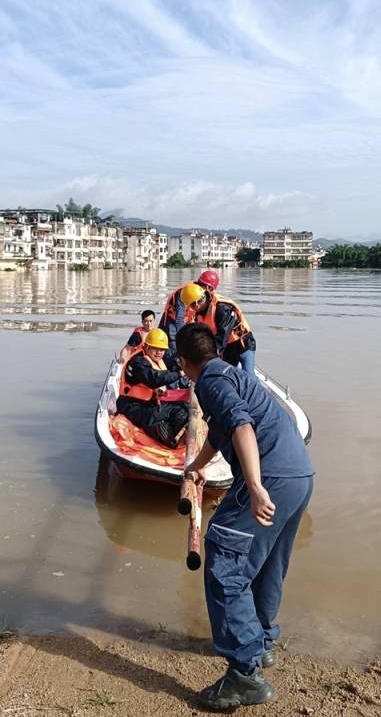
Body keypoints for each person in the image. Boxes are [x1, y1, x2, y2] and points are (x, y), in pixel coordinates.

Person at [175, 323, 314, 710]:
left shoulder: (210, 383)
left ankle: (244, 675)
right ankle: (261, 642)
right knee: (268, 563)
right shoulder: (232, 373)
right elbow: (221, 433)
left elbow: (240, 426)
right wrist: (198, 467)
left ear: (184, 362)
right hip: (299, 475)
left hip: (270, 478)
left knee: (223, 562)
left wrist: (253, 487)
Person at [115, 327, 189, 449]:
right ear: (147, 347)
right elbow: (154, 379)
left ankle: (184, 436)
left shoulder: (157, 358)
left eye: (162, 350)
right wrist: (180, 373)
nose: (159, 352)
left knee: (182, 409)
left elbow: (173, 361)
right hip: (130, 405)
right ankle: (166, 436)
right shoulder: (138, 362)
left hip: (149, 403)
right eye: (156, 349)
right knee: (152, 419)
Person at [180, 282, 256, 374]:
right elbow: (201, 336)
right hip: (228, 348)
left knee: (249, 375)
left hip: (243, 344)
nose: (192, 309)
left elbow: (222, 337)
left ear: (196, 303)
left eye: (191, 306)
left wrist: (206, 356)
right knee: (227, 375)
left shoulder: (222, 309)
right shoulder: (199, 312)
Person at [159, 270, 220, 350]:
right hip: (172, 325)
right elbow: (179, 319)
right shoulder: (186, 292)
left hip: (184, 323)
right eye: (211, 290)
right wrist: (185, 339)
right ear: (207, 287)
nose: (211, 293)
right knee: (175, 351)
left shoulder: (200, 294)